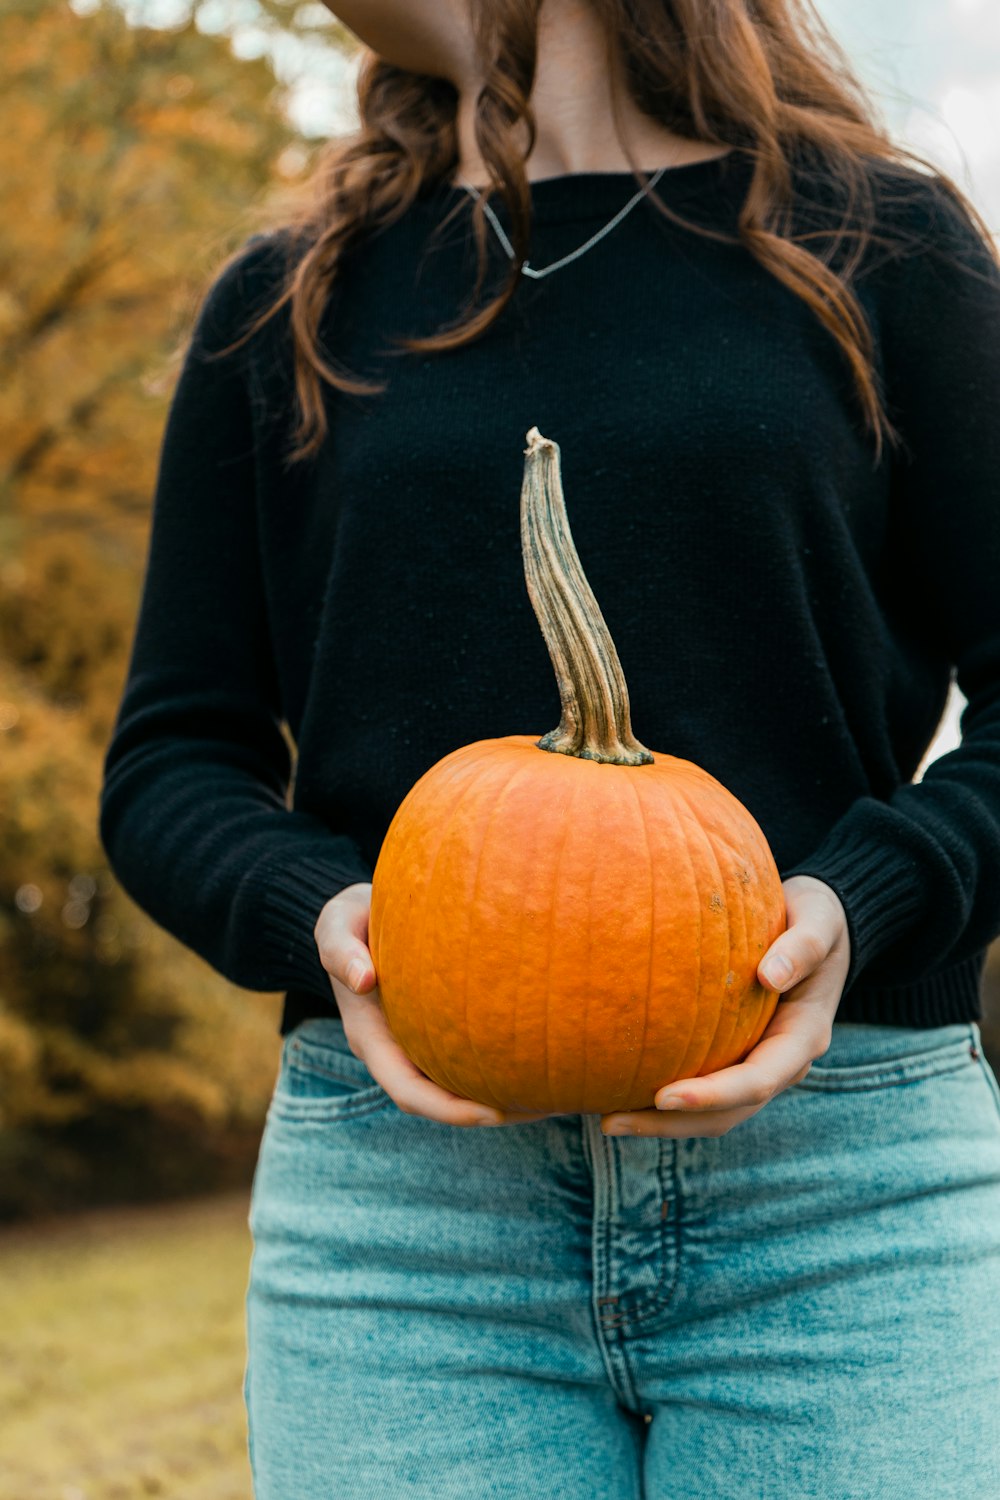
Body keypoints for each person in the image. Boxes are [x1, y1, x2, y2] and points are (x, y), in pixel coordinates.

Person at [98, 0, 1000, 1494]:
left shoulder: (878, 249)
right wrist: (330, 923)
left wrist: (864, 899)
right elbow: (172, 759)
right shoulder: (294, 302)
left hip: (844, 1195)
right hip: (407, 1215)